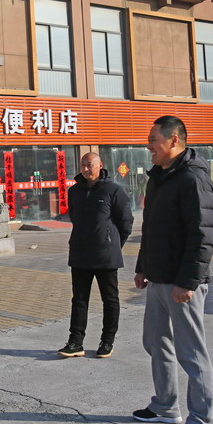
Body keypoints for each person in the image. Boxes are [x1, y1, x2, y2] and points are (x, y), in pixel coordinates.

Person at [132, 116, 213, 424]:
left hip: (182, 284)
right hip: (158, 277)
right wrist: (143, 266)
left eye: (153, 140)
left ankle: (203, 423)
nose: (148, 146)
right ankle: (165, 406)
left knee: (191, 353)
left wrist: (188, 282)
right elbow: (151, 227)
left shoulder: (193, 179)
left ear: (173, 140)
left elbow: (203, 235)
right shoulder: (159, 177)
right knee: (155, 343)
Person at [57, 152, 133, 359]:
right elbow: (75, 218)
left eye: (89, 164)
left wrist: (113, 244)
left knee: (110, 299)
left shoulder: (113, 190)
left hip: (105, 255)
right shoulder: (74, 191)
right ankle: (75, 342)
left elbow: (126, 222)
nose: (85, 169)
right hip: (80, 253)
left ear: (100, 165)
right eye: (83, 164)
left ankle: (107, 341)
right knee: (79, 300)